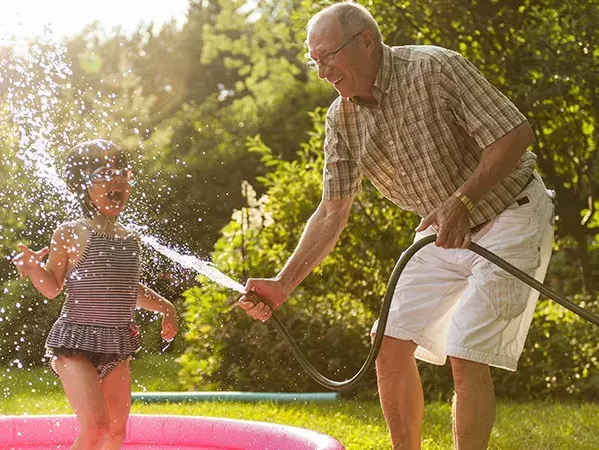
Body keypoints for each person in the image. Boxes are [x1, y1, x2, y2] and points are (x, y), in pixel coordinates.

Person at [237, 2, 555, 449]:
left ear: (366, 41)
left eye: (329, 56)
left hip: (511, 212)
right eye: (315, 62)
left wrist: (462, 202)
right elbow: (332, 211)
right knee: (388, 342)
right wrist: (283, 284)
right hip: (443, 228)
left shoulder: (435, 68)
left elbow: (514, 135)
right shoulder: (341, 118)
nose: (324, 70)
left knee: (465, 355)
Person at [13, 139, 178, 450]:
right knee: (96, 430)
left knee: (116, 434)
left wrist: (166, 307)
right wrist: (35, 269)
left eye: (122, 174)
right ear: (81, 185)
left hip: (115, 345)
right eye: (104, 172)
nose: (116, 180)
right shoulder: (71, 232)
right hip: (74, 344)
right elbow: (52, 287)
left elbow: (128, 289)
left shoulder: (132, 239)